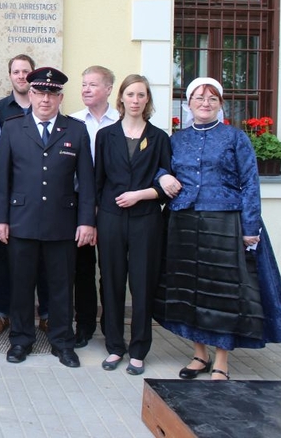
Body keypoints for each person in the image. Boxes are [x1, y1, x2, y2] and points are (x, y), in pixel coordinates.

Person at [156, 77, 281, 380]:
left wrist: (251, 226)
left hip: (225, 223)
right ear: (188, 103)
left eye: (212, 99)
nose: (205, 104)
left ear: (220, 104)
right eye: (199, 98)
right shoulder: (176, 139)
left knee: (223, 293)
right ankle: (198, 354)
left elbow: (250, 184)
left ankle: (221, 360)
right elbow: (158, 167)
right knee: (191, 291)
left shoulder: (235, 138)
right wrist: (162, 176)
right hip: (185, 221)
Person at [0, 67, 96, 368]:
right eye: (39, 92)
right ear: (31, 94)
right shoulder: (13, 128)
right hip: (21, 221)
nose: (45, 99)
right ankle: (21, 340)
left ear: (60, 97)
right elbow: (2, 180)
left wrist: (86, 221)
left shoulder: (75, 130)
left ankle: (62, 342)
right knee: (21, 285)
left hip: (62, 223)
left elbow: (86, 182)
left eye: (51, 93)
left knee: (62, 286)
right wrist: (0, 219)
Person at [95, 75, 170, 376]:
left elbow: (169, 184)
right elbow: (97, 181)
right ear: (121, 98)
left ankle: (139, 350)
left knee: (142, 284)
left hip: (146, 220)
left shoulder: (160, 137)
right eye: (130, 94)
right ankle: (115, 346)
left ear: (147, 100)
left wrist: (141, 194)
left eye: (141, 95)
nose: (136, 100)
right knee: (111, 283)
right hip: (111, 219)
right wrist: (94, 220)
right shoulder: (105, 135)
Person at [69, 65, 120, 348]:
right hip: (80, 205)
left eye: (92, 85)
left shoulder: (123, 121)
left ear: (109, 89)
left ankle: (110, 326)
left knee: (111, 270)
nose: (86, 89)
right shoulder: (74, 122)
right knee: (83, 269)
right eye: (84, 84)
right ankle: (84, 325)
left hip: (115, 205)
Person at [0, 54, 35, 337]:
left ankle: (45, 315)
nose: (21, 76)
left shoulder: (46, 107)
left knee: (41, 260)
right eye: (16, 71)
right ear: (10, 76)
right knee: (3, 260)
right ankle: (1, 313)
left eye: (26, 71)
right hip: (9, 196)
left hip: (40, 196)